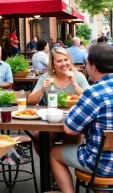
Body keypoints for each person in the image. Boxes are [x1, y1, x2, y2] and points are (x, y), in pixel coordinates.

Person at [50, 43, 113, 192]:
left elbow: (70, 129)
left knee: (53, 153)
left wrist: (73, 108)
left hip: (102, 163)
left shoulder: (93, 92)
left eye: (87, 64)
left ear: (93, 67)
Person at [28, 46, 90, 183]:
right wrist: (42, 88)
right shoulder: (46, 77)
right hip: (52, 122)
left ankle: (58, 174)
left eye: (66, 60)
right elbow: (31, 100)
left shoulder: (78, 76)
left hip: (72, 124)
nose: (64, 64)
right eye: (59, 61)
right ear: (53, 64)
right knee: (37, 136)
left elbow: (89, 98)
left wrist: (74, 83)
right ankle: (53, 172)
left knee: (67, 144)